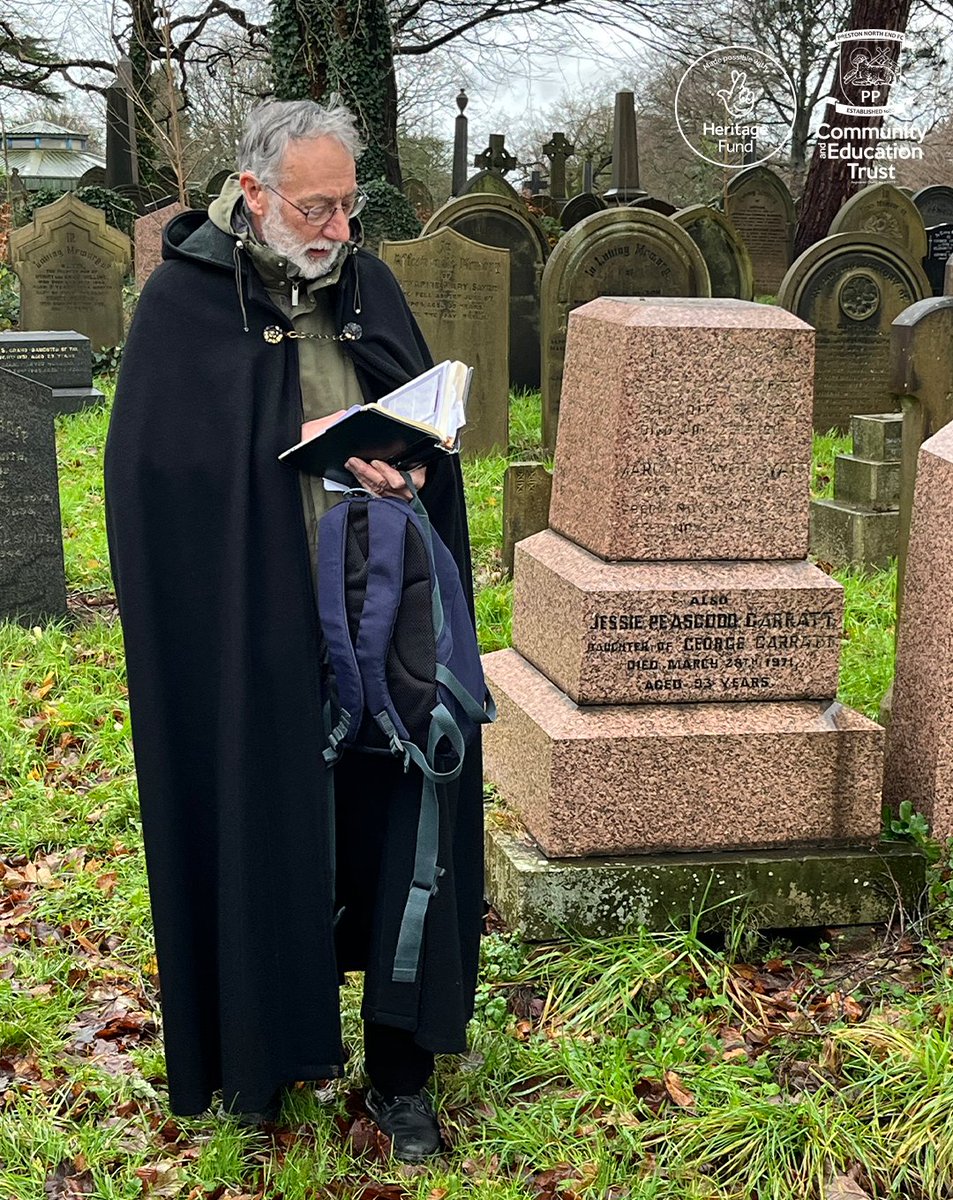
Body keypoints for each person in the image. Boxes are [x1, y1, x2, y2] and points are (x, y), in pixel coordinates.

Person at [103, 100, 485, 1162]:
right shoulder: (184, 302)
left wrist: (407, 457)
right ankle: (261, 1059)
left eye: (347, 204)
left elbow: (426, 429)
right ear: (255, 192)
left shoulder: (367, 283)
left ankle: (401, 1073)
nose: (334, 227)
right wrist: (291, 438)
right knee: (264, 831)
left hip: (385, 618)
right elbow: (155, 475)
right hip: (253, 631)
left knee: (401, 830)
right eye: (314, 206)